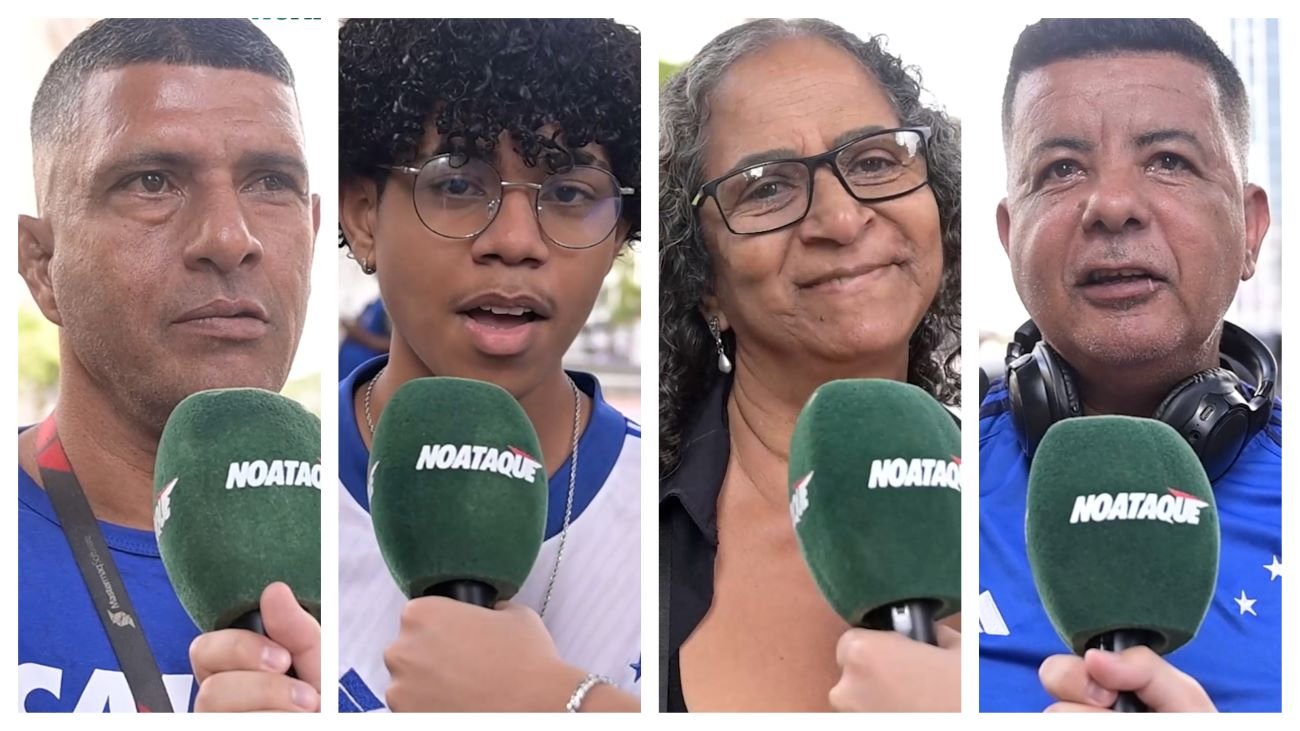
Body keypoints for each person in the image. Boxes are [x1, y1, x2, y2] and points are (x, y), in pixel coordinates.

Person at [17, 19, 322, 713]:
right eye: (152, 181)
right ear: (42, 264)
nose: (228, 237)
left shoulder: (396, 541)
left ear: (311, 225)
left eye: (270, 182)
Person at [337, 18, 641, 712]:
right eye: (457, 185)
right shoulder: (275, 507)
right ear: (361, 215)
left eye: (567, 194)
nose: (514, 241)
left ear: (619, 236)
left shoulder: (678, 512)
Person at [659, 18, 961, 712]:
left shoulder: (1030, 502)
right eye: (765, 188)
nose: (841, 220)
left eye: (875, 162)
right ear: (702, 275)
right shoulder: (636, 532)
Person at [979, 18, 1280, 712]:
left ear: (1250, 228)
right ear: (1008, 234)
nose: (1111, 206)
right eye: (1061, 169)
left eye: (1169, 160)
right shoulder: (924, 488)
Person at [339, 297, 390, 380]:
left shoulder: (390, 305)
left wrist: (360, 335)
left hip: (365, 372)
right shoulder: (374, 302)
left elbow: (392, 345)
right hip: (347, 371)